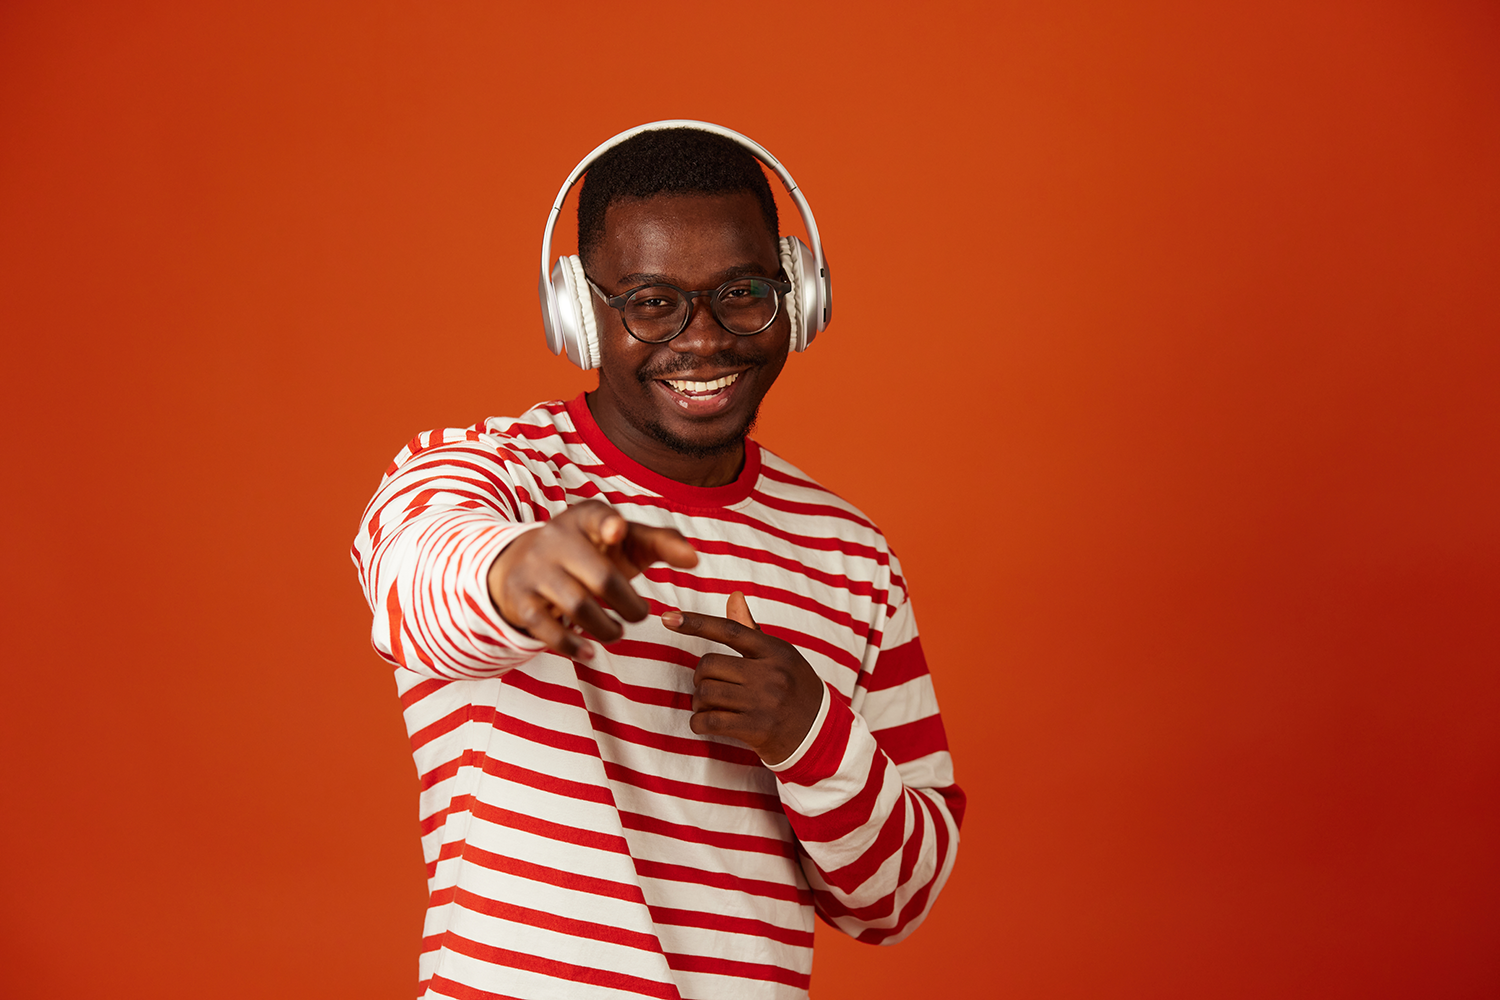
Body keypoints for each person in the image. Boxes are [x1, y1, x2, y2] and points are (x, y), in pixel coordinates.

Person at [352, 122, 964, 1000]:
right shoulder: (490, 477)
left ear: (800, 292)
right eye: (650, 301)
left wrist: (810, 733)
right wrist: (519, 572)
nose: (704, 339)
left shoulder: (851, 556)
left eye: (742, 293)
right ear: (576, 309)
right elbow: (416, 584)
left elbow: (898, 900)